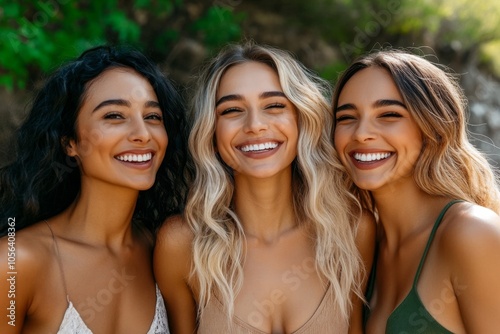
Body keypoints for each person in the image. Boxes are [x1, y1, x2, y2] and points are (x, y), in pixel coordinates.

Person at [154, 42, 375, 334]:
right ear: (211, 130)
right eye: (232, 110)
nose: (255, 125)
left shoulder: (352, 230)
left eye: (274, 106)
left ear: (301, 118)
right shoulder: (181, 245)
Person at [0, 45, 190, 333]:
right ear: (70, 143)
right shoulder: (15, 263)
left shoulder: (163, 252)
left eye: (153, 116)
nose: (142, 134)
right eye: (114, 116)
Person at [332, 49, 500, 333]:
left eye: (388, 114)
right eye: (346, 117)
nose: (361, 133)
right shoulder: (360, 241)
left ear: (432, 127)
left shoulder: (472, 232)